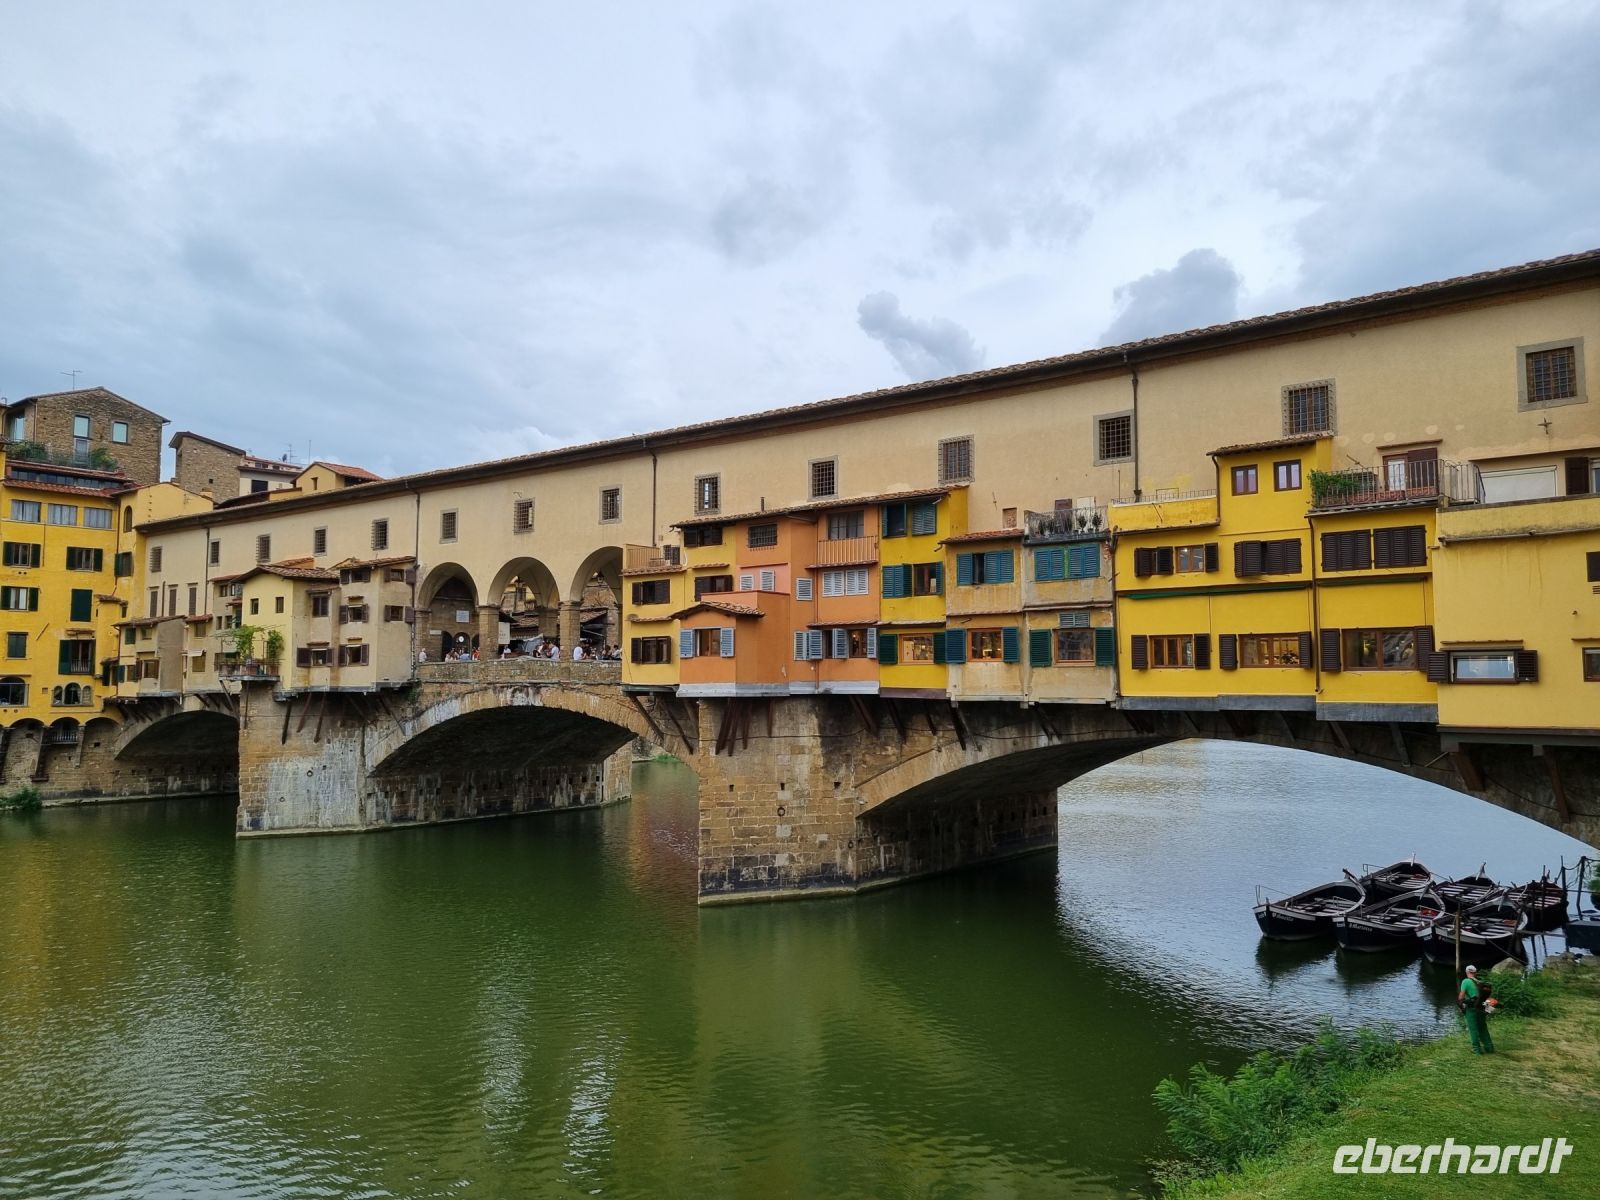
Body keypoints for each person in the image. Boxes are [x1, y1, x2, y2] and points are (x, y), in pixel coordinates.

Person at [1458, 964, 1495, 1054]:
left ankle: (1477, 1050)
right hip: (1482, 1008)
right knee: (1483, 1028)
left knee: (1473, 1029)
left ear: (1467, 972)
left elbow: (1461, 997)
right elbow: (1487, 998)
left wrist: (1461, 1007)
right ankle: (1489, 1048)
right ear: (1475, 973)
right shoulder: (1480, 983)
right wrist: (1488, 1010)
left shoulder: (1465, 981)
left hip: (1471, 1009)